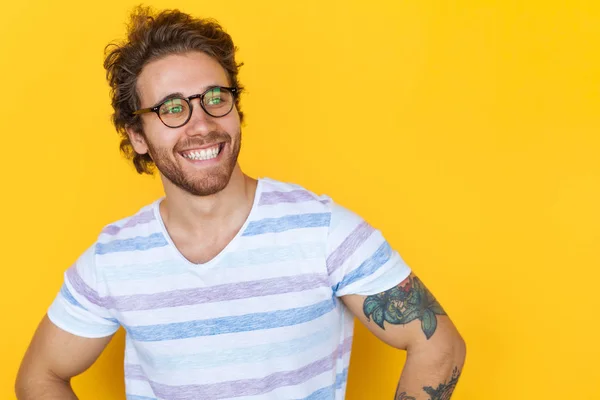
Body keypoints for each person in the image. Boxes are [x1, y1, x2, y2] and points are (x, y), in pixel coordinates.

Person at [15, 6, 466, 400]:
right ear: (137, 136)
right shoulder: (114, 259)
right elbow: (40, 377)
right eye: (172, 108)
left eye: (216, 98)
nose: (202, 124)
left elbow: (438, 344)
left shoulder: (323, 231)